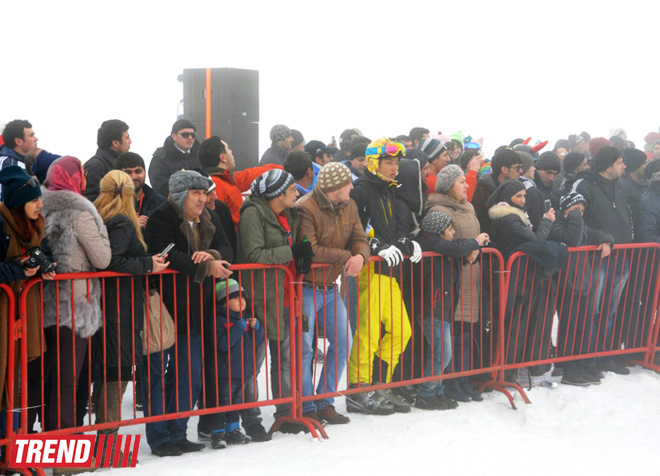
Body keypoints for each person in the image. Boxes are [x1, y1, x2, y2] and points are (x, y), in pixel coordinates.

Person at [144, 170, 233, 457]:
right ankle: (159, 438)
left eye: (204, 192)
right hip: (164, 308)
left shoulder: (208, 216)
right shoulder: (162, 216)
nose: (203, 198)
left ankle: (178, 432)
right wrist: (206, 267)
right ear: (181, 194)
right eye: (196, 193)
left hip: (195, 309)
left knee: (189, 376)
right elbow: (167, 254)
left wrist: (212, 256)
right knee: (157, 376)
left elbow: (227, 247)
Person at [92, 170, 169, 437]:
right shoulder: (123, 221)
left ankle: (106, 439)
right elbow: (112, 261)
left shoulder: (98, 215)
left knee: (109, 372)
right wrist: (148, 264)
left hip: (109, 304)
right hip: (120, 306)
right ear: (129, 194)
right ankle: (108, 443)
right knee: (117, 371)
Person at [347, 138, 421, 415]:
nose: (394, 168)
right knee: (367, 333)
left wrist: (405, 243)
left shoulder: (389, 191)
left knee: (403, 330)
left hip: (388, 270)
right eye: (389, 162)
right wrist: (376, 246)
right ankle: (359, 388)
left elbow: (387, 230)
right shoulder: (362, 190)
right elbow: (356, 230)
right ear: (374, 163)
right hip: (369, 270)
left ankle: (379, 383)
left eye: (397, 163)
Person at [236, 169, 312, 434]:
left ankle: (286, 413)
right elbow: (252, 253)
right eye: (291, 189)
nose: (296, 192)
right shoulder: (252, 214)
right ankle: (250, 418)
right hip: (258, 296)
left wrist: (302, 254)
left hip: (283, 293)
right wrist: (291, 252)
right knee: (252, 363)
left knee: (284, 358)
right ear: (277, 193)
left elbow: (295, 241)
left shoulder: (290, 213)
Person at [40, 156, 112, 431]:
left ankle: (44, 441)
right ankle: (63, 452)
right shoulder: (81, 211)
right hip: (74, 304)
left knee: (45, 378)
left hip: (43, 303)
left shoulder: (40, 206)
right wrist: (101, 226)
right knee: (67, 379)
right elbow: (103, 258)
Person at [295, 162, 369, 424]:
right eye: (347, 182)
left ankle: (324, 400)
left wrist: (360, 254)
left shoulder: (349, 205)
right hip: (304, 288)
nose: (351, 186)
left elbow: (360, 237)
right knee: (304, 350)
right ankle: (305, 407)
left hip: (329, 288)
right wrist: (350, 256)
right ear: (335, 187)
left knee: (343, 342)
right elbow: (310, 249)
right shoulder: (305, 207)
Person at [0, 166, 57, 435]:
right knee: (4, 378)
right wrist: (16, 270)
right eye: (34, 200)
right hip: (4, 312)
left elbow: (38, 252)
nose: (40, 204)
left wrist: (44, 266)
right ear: (18, 203)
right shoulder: (2, 225)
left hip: (22, 314)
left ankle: (11, 442)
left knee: (18, 377)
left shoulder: (35, 226)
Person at [425, 165, 488, 402]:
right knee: (453, 331)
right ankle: (450, 381)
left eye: (465, 180)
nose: (466, 184)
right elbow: (445, 242)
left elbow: (475, 237)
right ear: (449, 185)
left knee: (466, 329)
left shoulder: (468, 205)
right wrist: (471, 246)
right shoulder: (438, 208)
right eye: (461, 181)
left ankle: (463, 379)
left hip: (472, 273)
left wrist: (478, 246)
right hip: (452, 276)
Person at [414, 211, 489, 409]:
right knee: (443, 354)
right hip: (432, 308)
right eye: (449, 229)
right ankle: (427, 393)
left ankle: (436, 391)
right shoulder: (431, 243)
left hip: (443, 307)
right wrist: (475, 242)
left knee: (441, 354)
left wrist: (469, 254)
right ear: (438, 233)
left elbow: (454, 252)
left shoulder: (442, 248)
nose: (454, 232)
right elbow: (453, 248)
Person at [574, 146, 632, 375]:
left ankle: (603, 355)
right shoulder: (584, 185)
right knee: (592, 309)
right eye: (620, 162)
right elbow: (575, 219)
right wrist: (600, 239)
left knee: (609, 309)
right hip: (596, 256)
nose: (624, 166)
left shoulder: (619, 186)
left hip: (621, 255)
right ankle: (587, 359)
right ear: (608, 165)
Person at [548, 192, 613, 386]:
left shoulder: (580, 225)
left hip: (582, 282)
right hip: (566, 283)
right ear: (565, 209)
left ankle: (579, 365)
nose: (580, 214)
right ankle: (569, 369)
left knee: (582, 327)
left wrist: (606, 240)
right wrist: (575, 216)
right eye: (576, 209)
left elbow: (596, 233)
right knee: (569, 327)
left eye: (582, 211)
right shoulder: (557, 225)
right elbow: (572, 239)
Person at [207, 279, 264, 449]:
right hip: (225, 371)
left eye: (243, 298)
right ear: (224, 302)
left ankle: (233, 431)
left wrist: (258, 329)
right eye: (236, 298)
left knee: (236, 402)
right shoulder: (219, 320)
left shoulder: (246, 318)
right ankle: (217, 433)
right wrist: (238, 328)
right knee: (223, 402)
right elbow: (222, 344)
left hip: (242, 371)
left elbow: (257, 342)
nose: (242, 301)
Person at [198, 136, 282, 228]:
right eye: (228, 149)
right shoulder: (216, 185)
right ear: (223, 157)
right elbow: (215, 222)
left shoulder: (225, 179)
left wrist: (281, 169)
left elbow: (248, 176)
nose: (231, 151)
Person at [472, 148, 523, 234]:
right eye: (517, 168)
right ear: (504, 170)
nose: (521, 171)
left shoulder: (516, 188)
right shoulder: (482, 191)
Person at [148, 119, 201, 197]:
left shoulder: (200, 155)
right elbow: (161, 188)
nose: (190, 138)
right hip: (173, 205)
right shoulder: (160, 159)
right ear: (174, 136)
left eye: (193, 135)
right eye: (185, 135)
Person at [84, 119, 131, 201]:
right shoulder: (95, 166)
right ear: (115, 143)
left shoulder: (119, 164)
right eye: (127, 138)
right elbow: (90, 202)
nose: (130, 141)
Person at [116, 152, 166, 230]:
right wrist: (132, 225)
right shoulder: (110, 203)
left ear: (145, 172)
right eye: (128, 172)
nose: (134, 177)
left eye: (138, 171)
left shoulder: (160, 202)